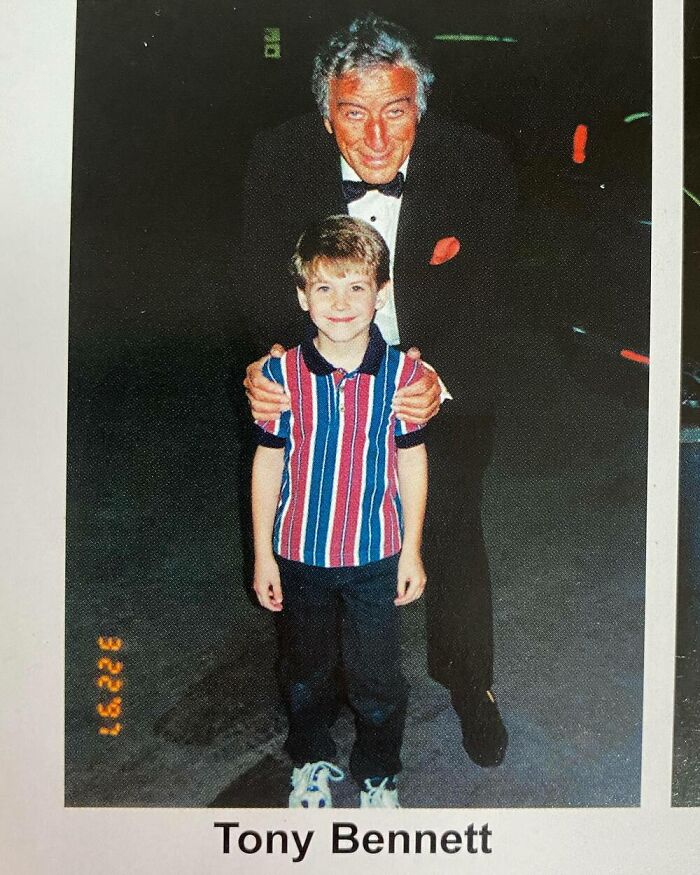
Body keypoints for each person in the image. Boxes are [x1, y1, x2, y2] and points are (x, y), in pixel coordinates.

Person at [241, 13, 516, 767]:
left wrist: (438, 379)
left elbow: (496, 293)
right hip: (327, 380)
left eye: (394, 112)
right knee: (321, 547)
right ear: (324, 114)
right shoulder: (278, 156)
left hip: (437, 382)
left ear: (419, 108)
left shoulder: (478, 161)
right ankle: (321, 696)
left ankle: (470, 683)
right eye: (351, 113)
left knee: (452, 530)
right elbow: (257, 283)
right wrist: (265, 361)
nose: (374, 138)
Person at [252, 215, 428, 808]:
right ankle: (312, 760)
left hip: (375, 556)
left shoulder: (405, 374)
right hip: (300, 553)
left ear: (382, 295)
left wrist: (412, 550)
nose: (341, 301)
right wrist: (263, 557)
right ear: (302, 297)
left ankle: (379, 771)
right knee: (306, 675)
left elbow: (411, 463)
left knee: (378, 678)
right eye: (324, 287)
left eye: (357, 286)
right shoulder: (279, 376)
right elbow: (268, 464)